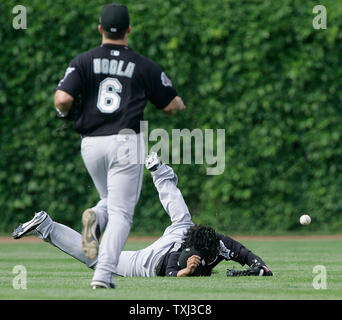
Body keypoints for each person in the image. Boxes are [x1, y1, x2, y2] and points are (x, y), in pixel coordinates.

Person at [53, 3, 186, 289]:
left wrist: (65, 113)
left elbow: (62, 98)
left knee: (110, 203)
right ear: (129, 30)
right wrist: (176, 105)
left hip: (91, 145)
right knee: (122, 213)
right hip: (125, 142)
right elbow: (172, 104)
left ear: (100, 29)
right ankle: (103, 274)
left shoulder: (83, 60)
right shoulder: (142, 64)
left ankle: (96, 217)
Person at [12, 153, 272, 289]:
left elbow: (244, 254)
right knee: (98, 259)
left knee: (182, 218)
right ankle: (46, 227)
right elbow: (172, 277)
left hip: (178, 233)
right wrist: (187, 271)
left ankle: (160, 172)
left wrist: (258, 266)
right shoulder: (185, 254)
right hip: (148, 263)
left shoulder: (210, 239)